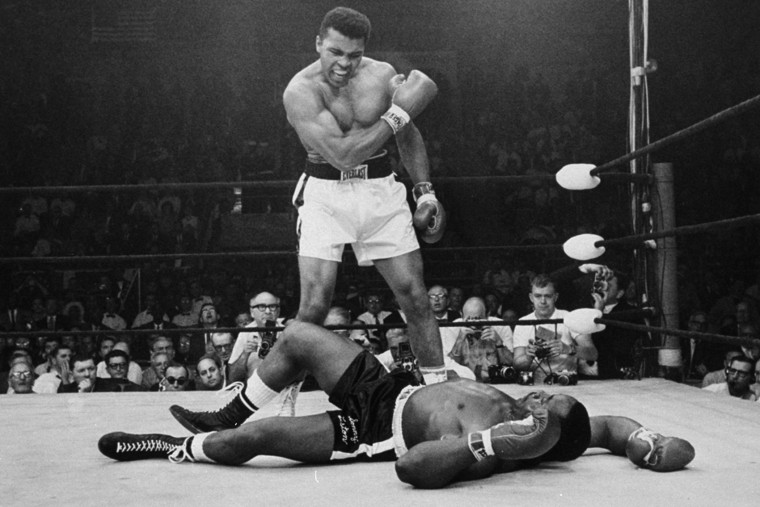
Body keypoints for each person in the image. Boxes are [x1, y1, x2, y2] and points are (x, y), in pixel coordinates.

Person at [99, 322, 695, 488]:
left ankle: (176, 448)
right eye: (544, 392)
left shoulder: (496, 451)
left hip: (373, 429)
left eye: (542, 404)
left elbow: (410, 470)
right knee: (302, 336)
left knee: (254, 445)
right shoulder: (552, 420)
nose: (535, 392)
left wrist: (488, 444)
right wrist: (654, 445)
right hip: (389, 384)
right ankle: (226, 409)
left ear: (538, 433)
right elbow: (614, 428)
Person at [282, 6, 447, 385]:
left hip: (380, 189)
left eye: (354, 55)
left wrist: (424, 193)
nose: (344, 64)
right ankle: (283, 404)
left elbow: (407, 135)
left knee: (415, 297)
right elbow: (342, 155)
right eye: (335, 52)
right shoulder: (301, 91)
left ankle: (438, 392)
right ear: (319, 43)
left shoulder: (382, 75)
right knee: (313, 307)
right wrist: (398, 112)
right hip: (325, 193)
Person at [513, 275, 597, 384]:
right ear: (531, 297)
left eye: (548, 296)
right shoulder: (522, 323)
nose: (543, 301)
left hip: (566, 384)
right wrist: (528, 356)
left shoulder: (571, 318)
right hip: (534, 385)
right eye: (538, 296)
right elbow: (517, 364)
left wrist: (569, 349)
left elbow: (592, 353)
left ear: (555, 297)